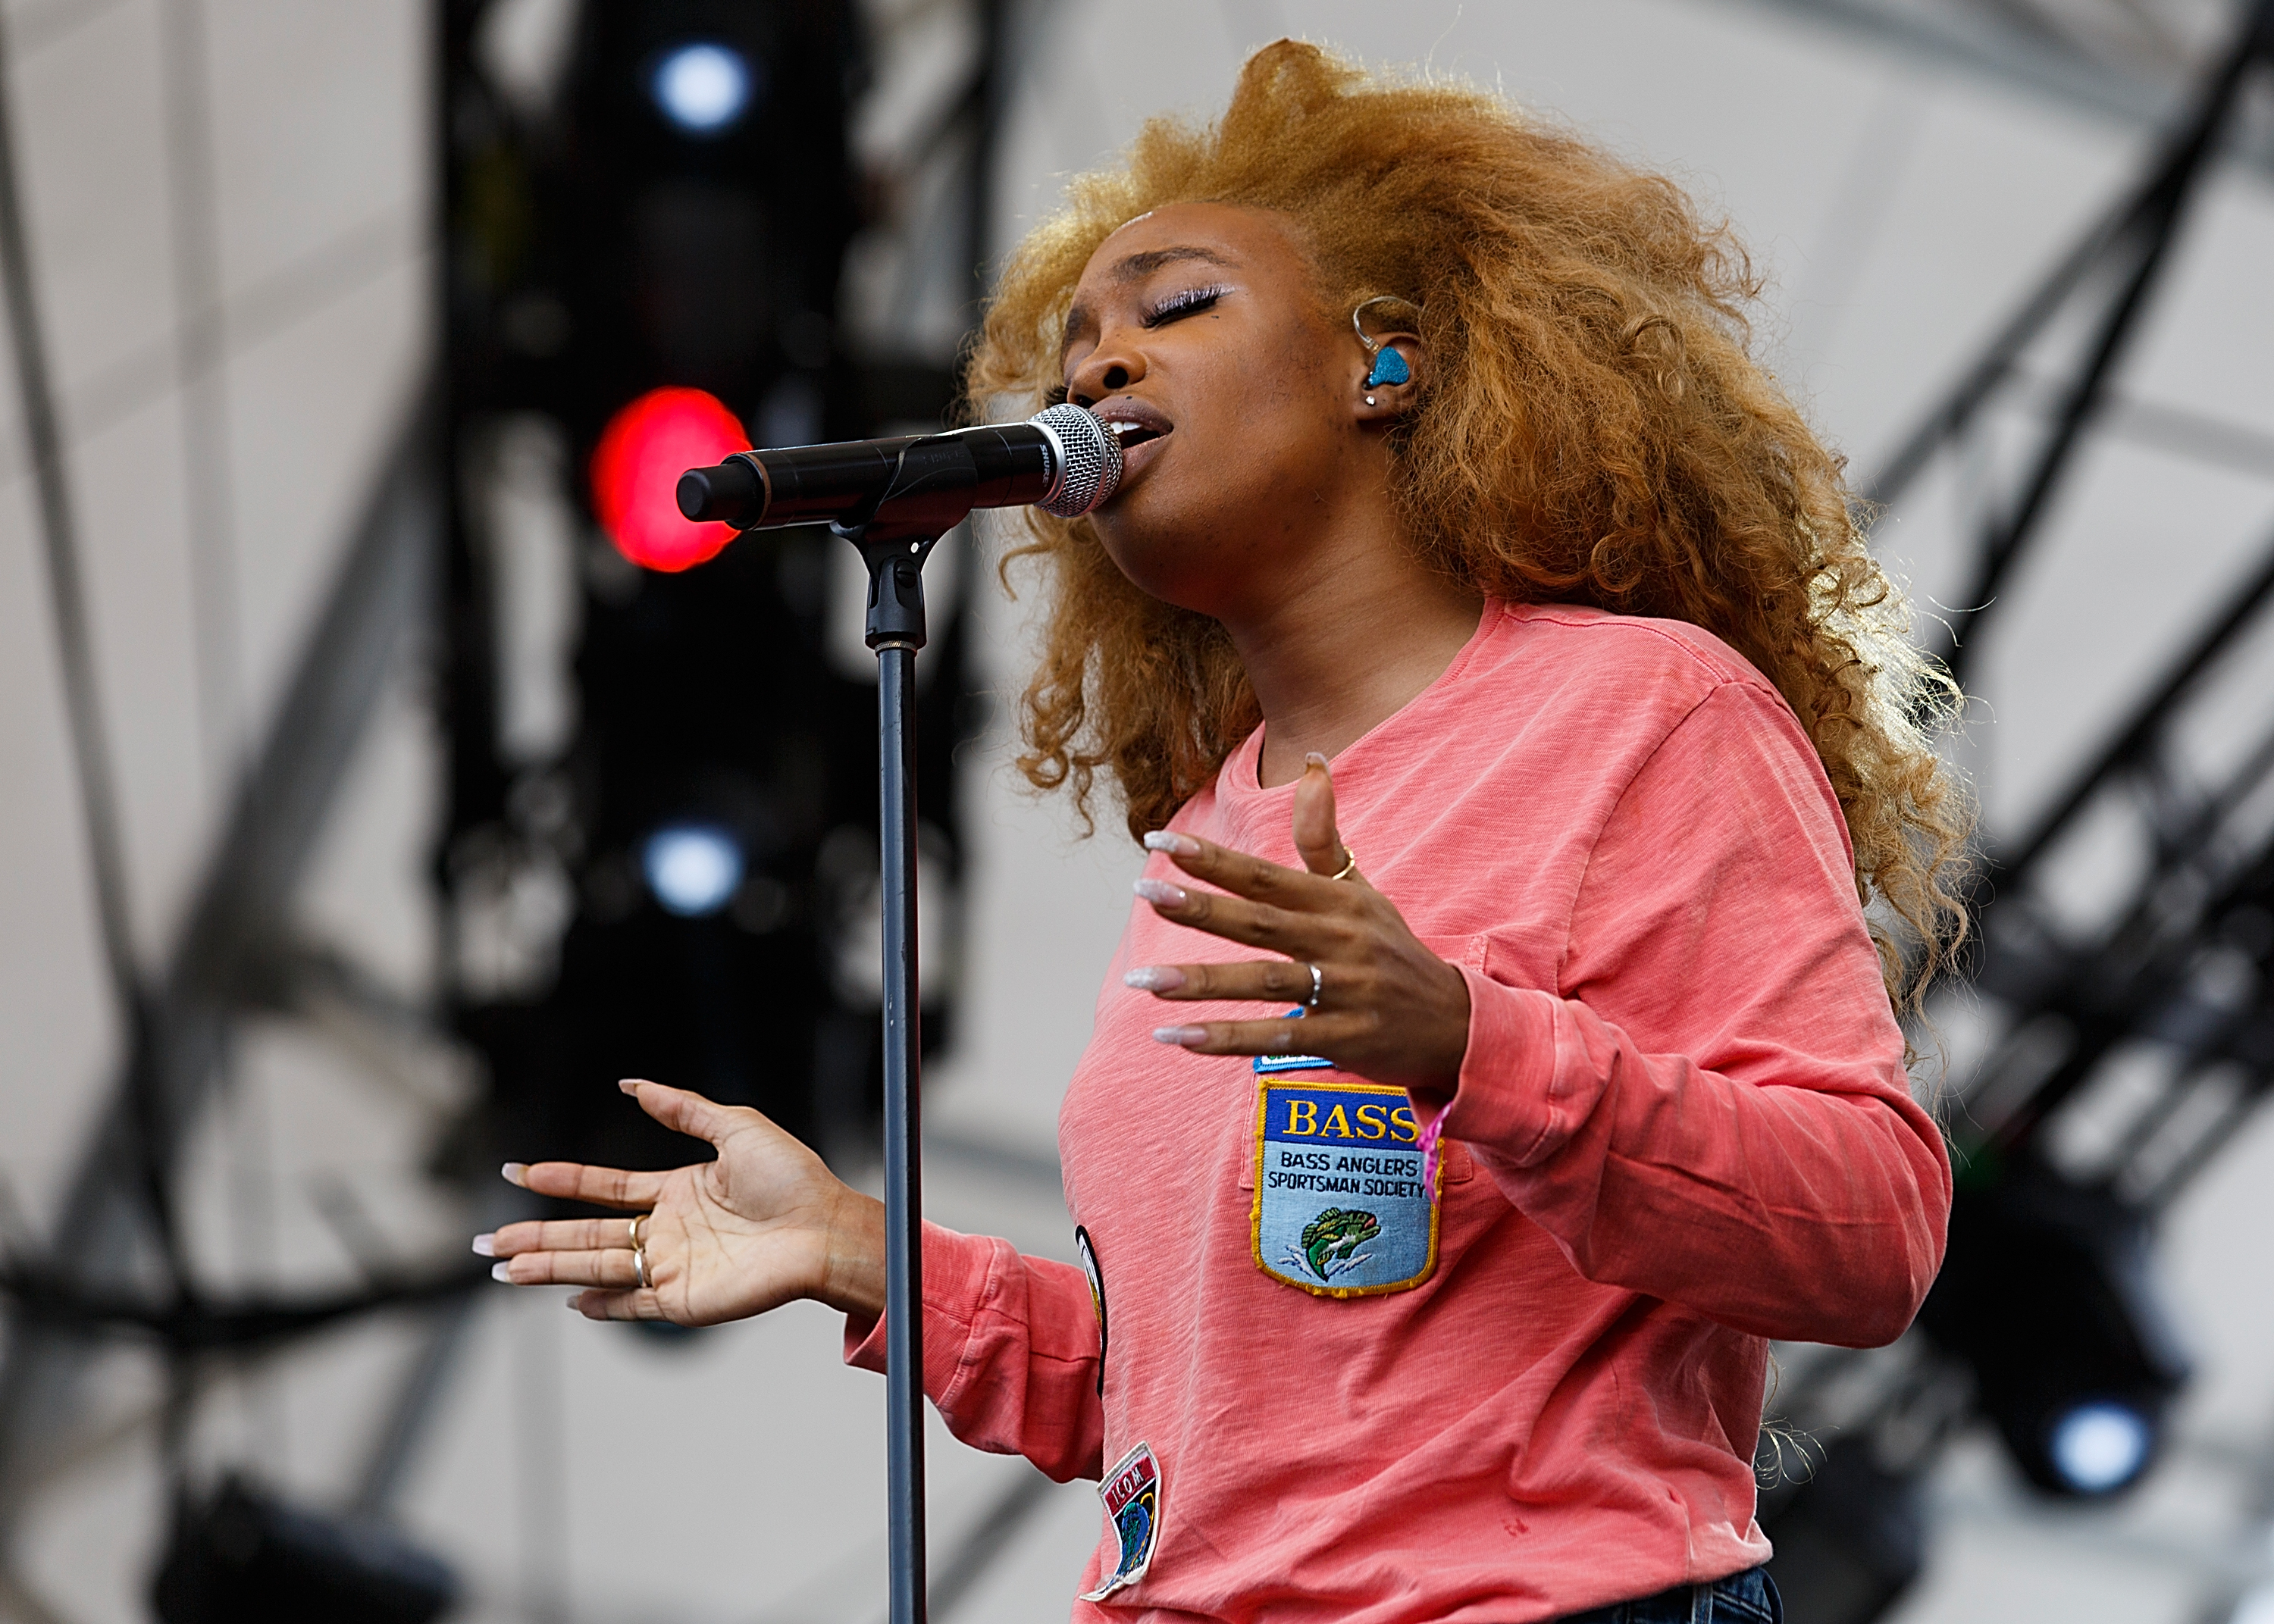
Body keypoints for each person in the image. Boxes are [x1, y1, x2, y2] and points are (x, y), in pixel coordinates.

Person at [478, 40, 1970, 1624]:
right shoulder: (1215, 827)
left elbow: (1869, 1229)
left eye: (1175, 309)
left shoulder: (1644, 710)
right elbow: (1199, 1401)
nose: (1102, 373)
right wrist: (865, 1252)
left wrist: (1471, 1040)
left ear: (1381, 366)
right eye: (1073, 361)